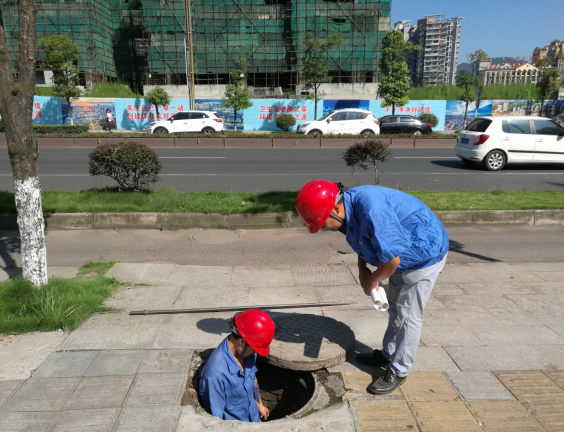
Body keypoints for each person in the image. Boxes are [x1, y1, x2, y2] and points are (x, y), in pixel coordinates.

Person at [295, 181, 449, 395]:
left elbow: (392, 260)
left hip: (423, 254)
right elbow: (363, 239)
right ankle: (389, 353)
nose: (324, 229)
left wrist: (372, 280)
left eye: (323, 224)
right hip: (402, 252)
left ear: (335, 209)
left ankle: (399, 369)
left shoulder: (373, 211)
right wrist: (362, 269)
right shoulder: (348, 206)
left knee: (408, 315)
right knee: (395, 307)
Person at [199, 309, 275, 422]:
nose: (255, 354)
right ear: (241, 342)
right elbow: (216, 419)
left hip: (254, 419)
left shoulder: (247, 352)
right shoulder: (215, 375)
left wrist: (259, 405)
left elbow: (253, 379)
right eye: (254, 350)